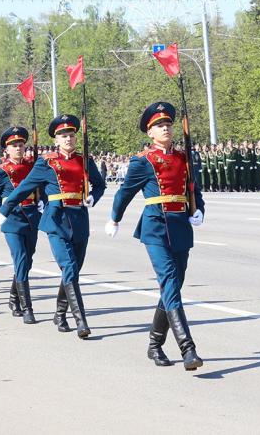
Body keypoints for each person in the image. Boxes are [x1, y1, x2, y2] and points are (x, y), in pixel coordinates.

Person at [106, 102, 205, 371]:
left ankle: (154, 344)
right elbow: (124, 193)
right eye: (159, 126)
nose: (165, 129)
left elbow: (193, 189)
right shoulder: (144, 160)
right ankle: (188, 348)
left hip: (181, 226)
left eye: (168, 125)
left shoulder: (184, 158)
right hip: (156, 228)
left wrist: (200, 211)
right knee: (170, 282)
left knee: (173, 286)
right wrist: (115, 218)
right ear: (150, 133)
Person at [0, 114, 105, 339]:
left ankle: (60, 312)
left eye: (71, 135)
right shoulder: (46, 163)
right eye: (63, 136)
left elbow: (100, 184)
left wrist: (93, 197)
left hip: (79, 220)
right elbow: (25, 187)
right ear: (56, 140)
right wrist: (4, 210)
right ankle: (81, 321)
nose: (68, 139)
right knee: (69, 268)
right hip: (56, 220)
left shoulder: (84, 160)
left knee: (73, 270)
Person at [0, 126, 44, 323]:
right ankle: (27, 307)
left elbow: (45, 186)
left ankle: (14, 298)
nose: (18, 148)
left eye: (21, 144)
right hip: (12, 219)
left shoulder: (33, 166)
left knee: (28, 260)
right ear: (6, 149)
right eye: (14, 145)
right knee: (21, 258)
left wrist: (43, 200)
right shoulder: (1, 172)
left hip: (31, 217)